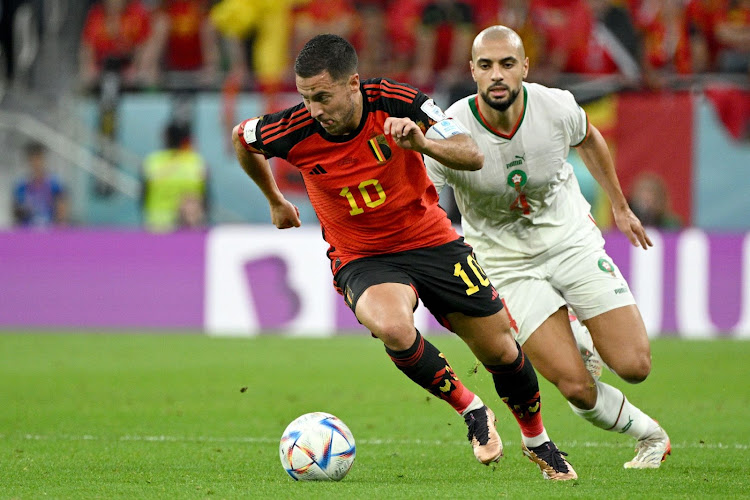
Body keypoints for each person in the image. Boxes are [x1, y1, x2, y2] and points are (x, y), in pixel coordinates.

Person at [231, 33, 577, 480]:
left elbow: (471, 154)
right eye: (305, 97)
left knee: (502, 350)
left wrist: (423, 143)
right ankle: (471, 409)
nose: (314, 109)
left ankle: (538, 441)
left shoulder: (399, 101)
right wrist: (275, 199)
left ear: (353, 83)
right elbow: (243, 137)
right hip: (364, 256)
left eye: (322, 96)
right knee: (394, 327)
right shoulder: (293, 128)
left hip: (431, 240)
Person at [424, 25, 671, 470]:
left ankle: (576, 324)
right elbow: (424, 203)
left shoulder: (555, 106)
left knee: (635, 365)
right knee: (576, 387)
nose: (496, 74)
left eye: (506, 64)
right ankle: (651, 436)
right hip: (505, 263)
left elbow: (590, 137)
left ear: (524, 67)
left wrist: (619, 205)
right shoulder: (449, 130)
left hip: (569, 240)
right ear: (473, 73)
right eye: (485, 66)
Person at [141, 120, 209, 231]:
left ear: (165, 138)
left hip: (157, 225)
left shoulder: (152, 162)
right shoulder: (196, 162)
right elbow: (206, 198)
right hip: (190, 227)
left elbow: (143, 195)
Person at [12, 141, 69, 227]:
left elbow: (62, 215)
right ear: (28, 161)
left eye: (38, 159)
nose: (36, 163)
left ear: (44, 159)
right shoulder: (21, 187)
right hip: (26, 234)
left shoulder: (55, 185)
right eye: (32, 159)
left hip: (49, 233)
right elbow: (16, 216)